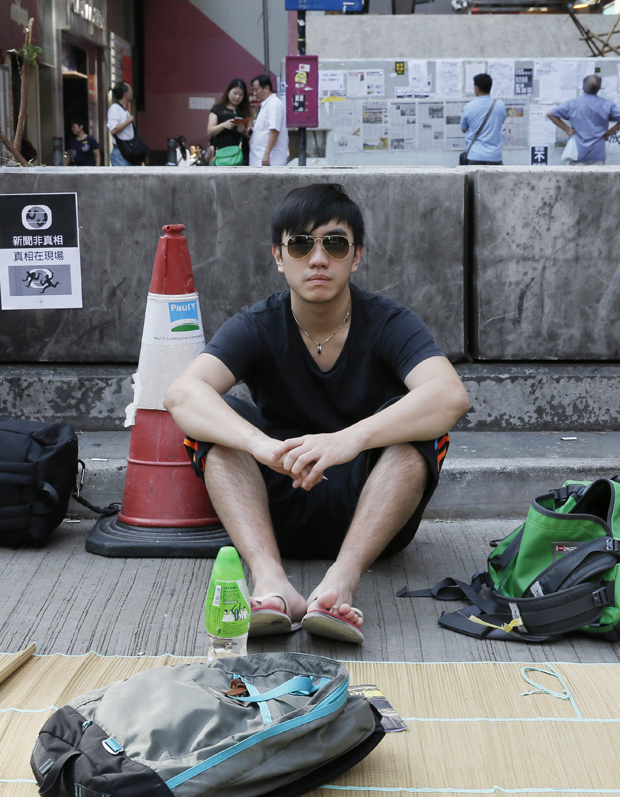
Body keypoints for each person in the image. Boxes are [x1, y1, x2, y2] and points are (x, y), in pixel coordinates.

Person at [164, 183, 469, 645]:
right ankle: (270, 582)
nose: (319, 258)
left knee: (419, 428)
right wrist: (261, 446)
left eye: (335, 244)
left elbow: (450, 397)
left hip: (370, 514)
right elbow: (182, 395)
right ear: (279, 256)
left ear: (357, 256)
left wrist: (350, 439)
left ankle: (339, 583)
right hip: (273, 503)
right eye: (301, 244)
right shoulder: (257, 324)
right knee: (219, 417)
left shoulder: (389, 321)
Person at [547, 74, 620, 166]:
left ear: (583, 87)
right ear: (599, 88)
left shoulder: (573, 104)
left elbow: (550, 114)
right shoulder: (607, 105)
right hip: (597, 154)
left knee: (575, 180)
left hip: (577, 154)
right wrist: (608, 133)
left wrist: (567, 129)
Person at [459, 73, 506, 165]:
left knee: (474, 180)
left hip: (475, 156)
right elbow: (500, 122)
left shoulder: (469, 107)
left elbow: (463, 129)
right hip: (494, 156)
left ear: (477, 88)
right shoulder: (500, 106)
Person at [208, 78, 251, 167]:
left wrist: (243, 131)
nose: (237, 97)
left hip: (242, 155)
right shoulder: (218, 109)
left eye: (241, 95)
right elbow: (210, 131)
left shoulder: (245, 112)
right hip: (222, 154)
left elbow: (250, 134)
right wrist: (223, 125)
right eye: (235, 93)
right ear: (228, 92)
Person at [248, 74, 288, 167]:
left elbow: (274, 130)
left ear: (266, 88)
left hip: (270, 160)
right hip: (259, 159)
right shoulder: (265, 104)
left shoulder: (274, 103)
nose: (254, 94)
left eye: (256, 90)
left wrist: (267, 154)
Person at [107, 82, 137, 166]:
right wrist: (128, 121)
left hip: (127, 151)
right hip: (120, 153)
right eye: (130, 90)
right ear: (125, 93)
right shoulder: (114, 108)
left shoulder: (124, 110)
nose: (132, 92)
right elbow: (113, 130)